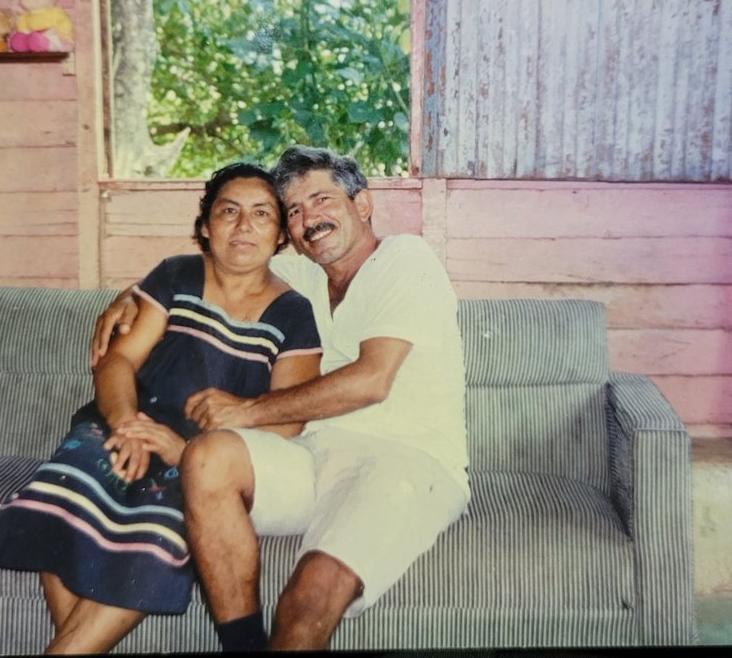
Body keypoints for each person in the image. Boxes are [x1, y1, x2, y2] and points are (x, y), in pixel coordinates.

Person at [92, 146, 469, 651]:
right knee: (208, 455)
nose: (309, 218)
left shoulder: (405, 260)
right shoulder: (305, 280)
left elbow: (371, 380)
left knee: (307, 597)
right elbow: (219, 266)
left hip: (403, 464)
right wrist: (132, 292)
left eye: (321, 199)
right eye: (294, 210)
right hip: (312, 458)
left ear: (363, 204)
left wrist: (248, 410)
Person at [0, 162, 322, 655]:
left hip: (204, 462)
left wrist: (183, 449)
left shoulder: (294, 313)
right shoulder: (176, 275)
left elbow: (286, 420)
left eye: (261, 214)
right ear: (206, 227)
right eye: (228, 212)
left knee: (165, 532)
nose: (244, 226)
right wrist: (126, 424)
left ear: (279, 236)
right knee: (65, 494)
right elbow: (118, 360)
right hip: (120, 429)